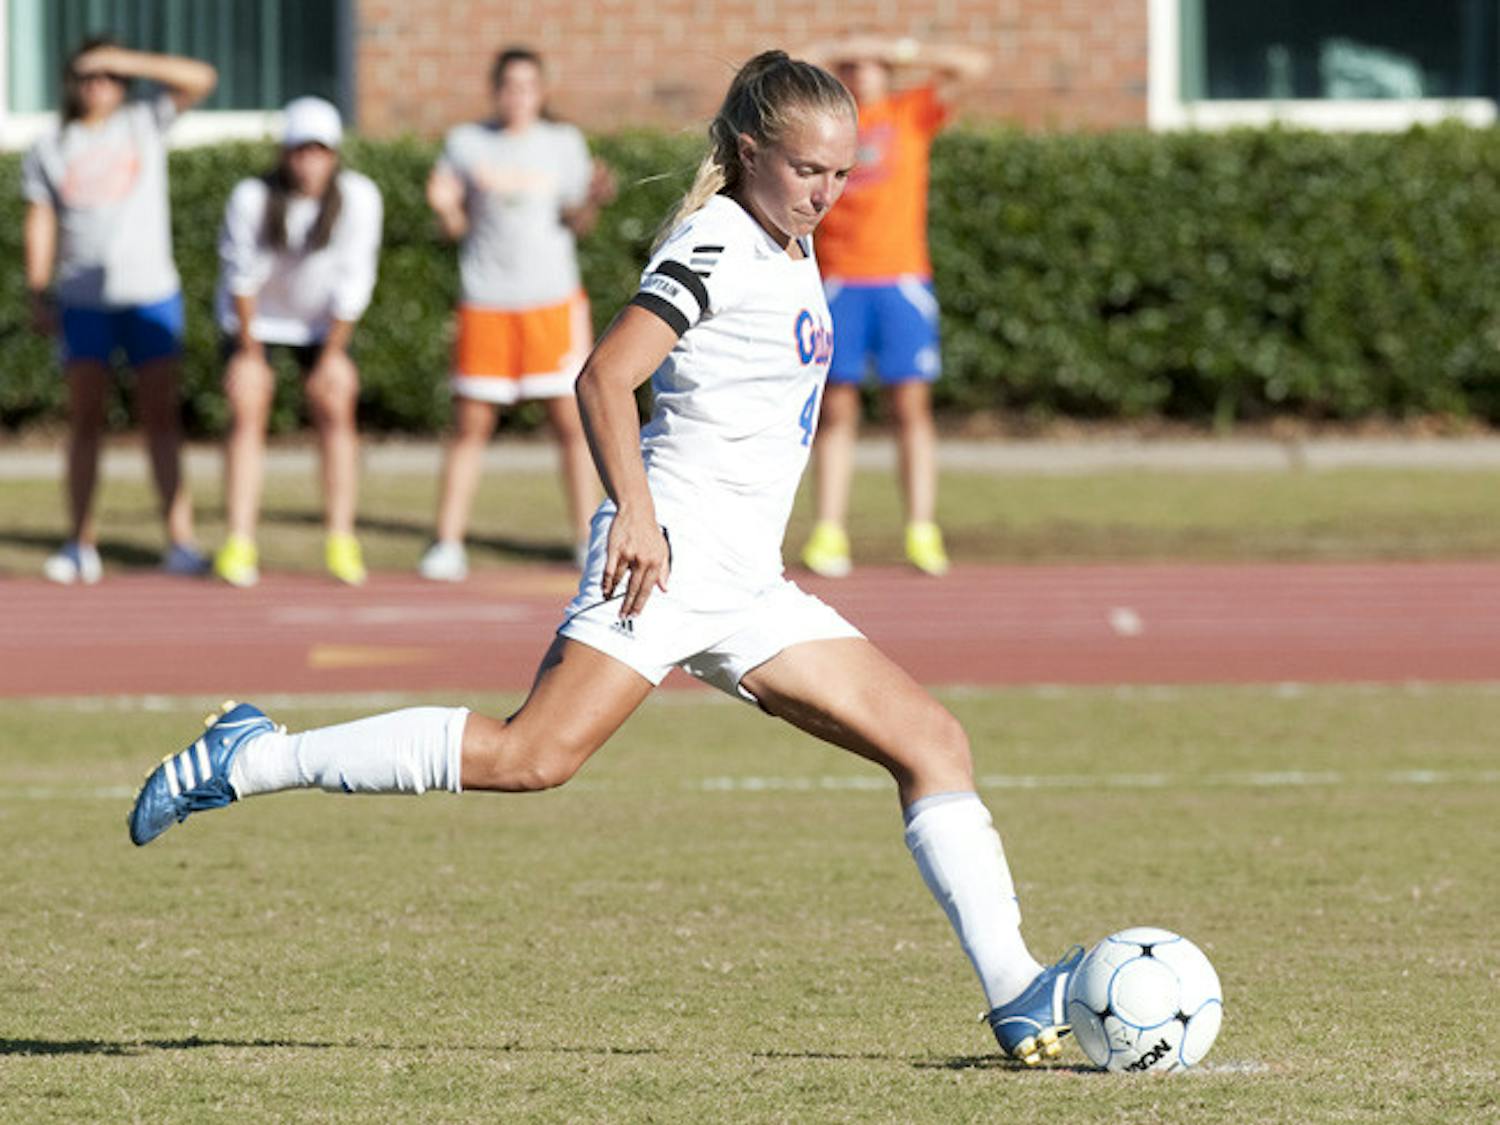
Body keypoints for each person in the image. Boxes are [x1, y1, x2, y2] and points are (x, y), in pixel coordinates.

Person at [127, 50, 1080, 1067]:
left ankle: (1016, 991)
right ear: (749, 151)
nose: (827, 192)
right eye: (808, 170)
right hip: (669, 558)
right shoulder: (718, 241)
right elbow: (604, 375)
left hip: (748, 583)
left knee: (933, 742)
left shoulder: (789, 239)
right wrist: (633, 511)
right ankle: (253, 755)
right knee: (530, 757)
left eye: (841, 173)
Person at [22, 37, 217, 584]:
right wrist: (38, 291)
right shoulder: (50, 146)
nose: (98, 85)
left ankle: (180, 541)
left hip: (150, 294)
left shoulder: (142, 122)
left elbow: (201, 77)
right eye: (88, 75)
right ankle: (79, 543)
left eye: (108, 76)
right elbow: (41, 220)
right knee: (85, 419)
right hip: (83, 302)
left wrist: (121, 59)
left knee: (161, 418)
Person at [418, 46, 616, 581]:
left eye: (528, 86)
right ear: (495, 90)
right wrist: (445, 209)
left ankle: (587, 540)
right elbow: (453, 228)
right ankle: (447, 543)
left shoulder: (563, 143)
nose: (518, 96)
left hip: (551, 301)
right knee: (471, 424)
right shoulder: (466, 144)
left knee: (571, 422)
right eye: (509, 86)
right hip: (487, 299)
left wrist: (594, 200)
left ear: (542, 91)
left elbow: (577, 222)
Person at [798, 34, 989, 579]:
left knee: (910, 408)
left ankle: (921, 529)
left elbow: (973, 64)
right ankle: (829, 531)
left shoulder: (909, 112)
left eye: (871, 65)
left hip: (901, 281)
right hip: (839, 282)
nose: (862, 72)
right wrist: (836, 50)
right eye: (851, 65)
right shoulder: (827, 125)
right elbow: (783, 68)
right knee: (836, 410)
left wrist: (897, 49)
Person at [211, 97, 384, 588]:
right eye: (299, 151)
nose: (309, 162)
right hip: (257, 322)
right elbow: (241, 279)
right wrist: (249, 355)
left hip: (321, 325)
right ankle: (239, 542)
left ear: (334, 156)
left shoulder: (359, 198)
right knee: (248, 401)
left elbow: (355, 283)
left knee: (336, 398)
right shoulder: (251, 198)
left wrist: (331, 357)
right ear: (284, 154)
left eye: (319, 151)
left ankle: (341, 539)